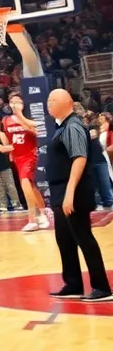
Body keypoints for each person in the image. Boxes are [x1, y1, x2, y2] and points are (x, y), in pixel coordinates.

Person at [44, 91, 111, 301]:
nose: (48, 103)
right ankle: (72, 284)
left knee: (83, 237)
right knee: (65, 239)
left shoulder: (73, 125)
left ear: (67, 103)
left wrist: (69, 193)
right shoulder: (61, 126)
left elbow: (79, 158)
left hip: (72, 190)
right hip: (61, 190)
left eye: (52, 100)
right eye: (48, 100)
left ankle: (102, 287)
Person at [5, 95, 50, 232]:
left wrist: (19, 114)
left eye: (18, 101)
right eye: (12, 101)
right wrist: (8, 151)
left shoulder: (30, 120)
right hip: (17, 156)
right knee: (30, 185)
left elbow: (34, 129)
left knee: (25, 182)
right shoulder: (6, 120)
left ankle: (32, 219)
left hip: (29, 154)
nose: (15, 103)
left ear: (23, 104)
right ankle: (43, 213)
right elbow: (8, 139)